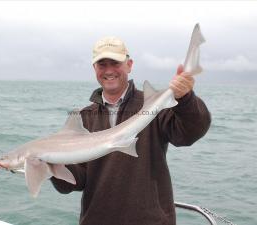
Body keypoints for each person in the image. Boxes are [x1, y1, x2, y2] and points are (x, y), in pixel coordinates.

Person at [50, 36, 211, 225]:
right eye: (102, 64)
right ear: (94, 68)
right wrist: (49, 166)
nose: (109, 70)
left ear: (129, 65)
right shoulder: (84, 117)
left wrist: (185, 99)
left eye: (115, 63)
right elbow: (74, 181)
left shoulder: (153, 107)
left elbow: (189, 133)